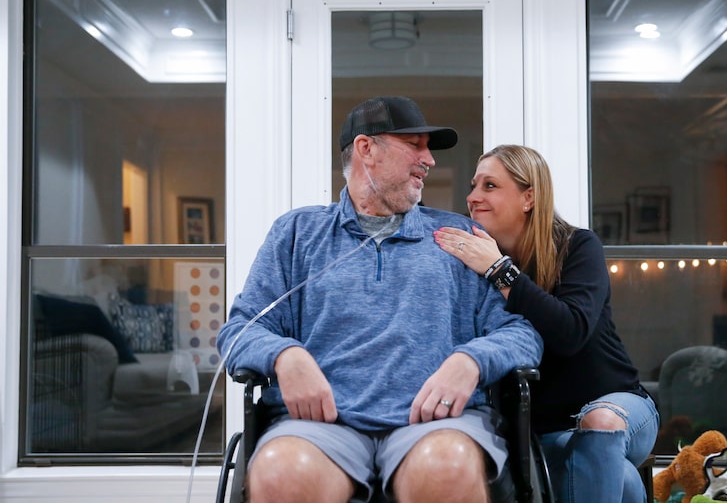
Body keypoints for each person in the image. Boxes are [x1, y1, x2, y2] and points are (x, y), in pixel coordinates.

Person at [217, 99, 543, 503]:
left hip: (436, 423)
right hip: (321, 428)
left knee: (447, 468)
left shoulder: (459, 236)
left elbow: (521, 332)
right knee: (283, 472)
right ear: (366, 150)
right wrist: (286, 356)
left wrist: (471, 361)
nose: (429, 161)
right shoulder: (297, 232)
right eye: (415, 146)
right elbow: (239, 330)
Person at [434, 144, 659, 503]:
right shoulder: (472, 268)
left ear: (529, 197)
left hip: (619, 407)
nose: (473, 197)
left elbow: (570, 332)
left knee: (599, 423)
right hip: (544, 430)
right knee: (626, 483)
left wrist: (499, 271)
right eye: (474, 186)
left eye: (490, 186)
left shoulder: (578, 247)